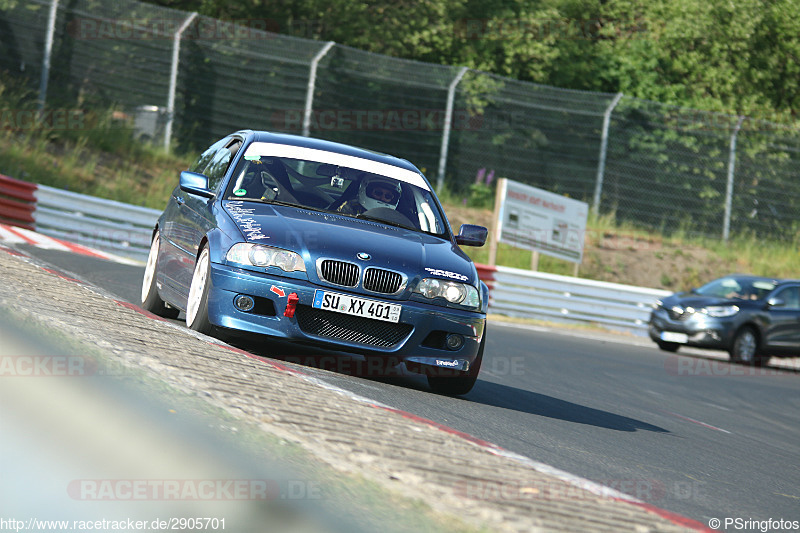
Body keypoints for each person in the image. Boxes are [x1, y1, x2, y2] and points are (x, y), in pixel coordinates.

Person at [337, 174, 402, 215]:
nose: (382, 198)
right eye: (378, 193)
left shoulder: (394, 217)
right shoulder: (350, 207)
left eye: (388, 196)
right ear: (367, 191)